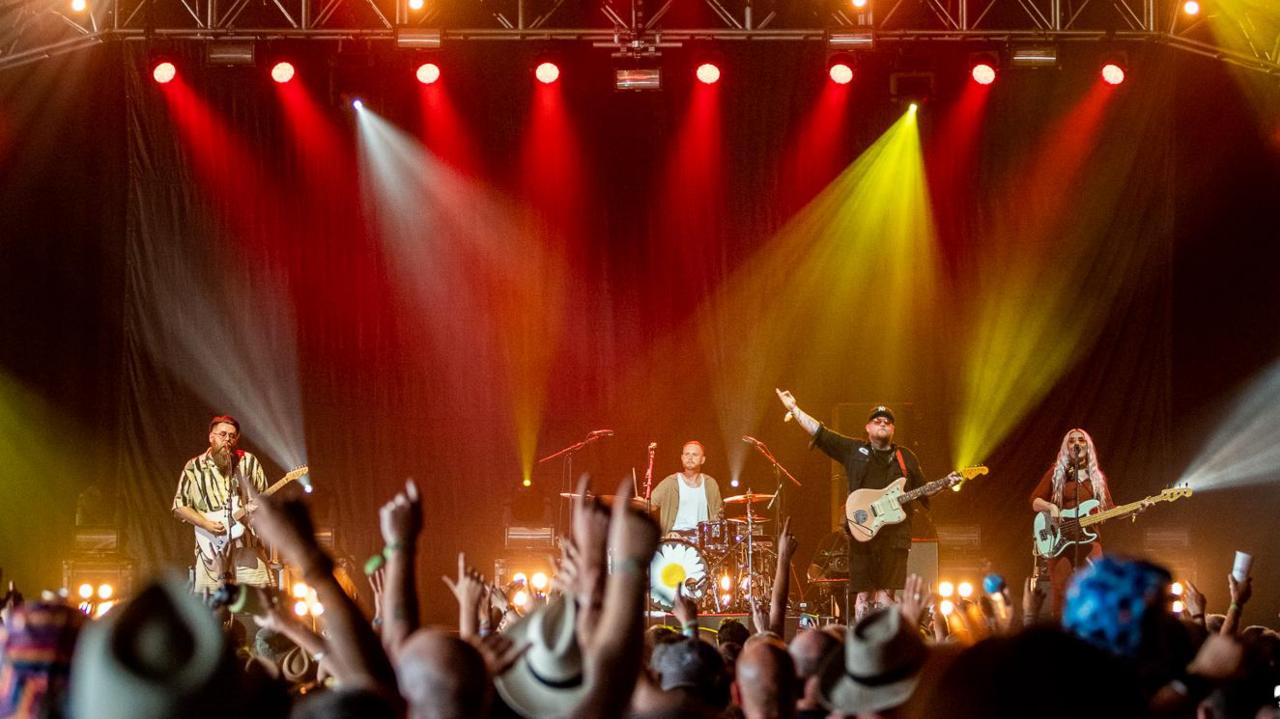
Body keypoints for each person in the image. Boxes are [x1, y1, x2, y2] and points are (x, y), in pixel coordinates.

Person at [775, 391, 948, 618]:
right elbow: (821, 433)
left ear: (893, 429)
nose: (883, 423)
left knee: (888, 597)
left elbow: (926, 489)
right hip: (862, 532)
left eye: (888, 421)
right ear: (867, 428)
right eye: (877, 420)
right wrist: (794, 409)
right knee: (863, 597)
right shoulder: (855, 450)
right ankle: (862, 638)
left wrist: (946, 482)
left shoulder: (905, 457)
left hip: (895, 537)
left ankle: (884, 643)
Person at [172, 415, 272, 592]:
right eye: (223, 434)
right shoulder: (194, 466)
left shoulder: (248, 462)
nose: (228, 440)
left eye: (232, 436)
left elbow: (265, 501)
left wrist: (257, 512)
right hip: (211, 552)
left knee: (260, 607)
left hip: (247, 548)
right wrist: (205, 523)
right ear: (211, 437)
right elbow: (179, 506)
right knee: (210, 609)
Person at [1029, 428, 1113, 616]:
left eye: (1081, 440)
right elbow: (1034, 500)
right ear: (1066, 446)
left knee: (1097, 585)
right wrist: (1051, 507)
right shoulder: (1056, 472)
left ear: (1088, 445)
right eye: (1071, 441)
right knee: (1061, 590)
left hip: (1089, 538)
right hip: (1060, 538)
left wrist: (1136, 508)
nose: (1077, 443)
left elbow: (1109, 510)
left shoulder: (1097, 478)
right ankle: (1061, 637)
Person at [649, 441, 724, 537]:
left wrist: (714, 537)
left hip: (701, 537)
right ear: (682, 458)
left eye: (695, 454)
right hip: (675, 536)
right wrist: (635, 502)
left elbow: (718, 514)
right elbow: (651, 505)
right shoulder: (671, 481)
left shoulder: (710, 483)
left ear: (703, 460)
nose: (690, 458)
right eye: (687, 454)